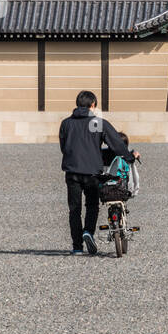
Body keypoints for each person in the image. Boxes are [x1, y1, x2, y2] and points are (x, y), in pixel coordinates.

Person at [58, 90, 138, 256]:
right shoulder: (98, 122)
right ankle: (88, 231)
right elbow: (116, 143)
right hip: (92, 172)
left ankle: (77, 247)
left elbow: (64, 147)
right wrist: (130, 156)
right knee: (92, 205)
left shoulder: (66, 123)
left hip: (72, 171)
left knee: (74, 209)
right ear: (93, 105)